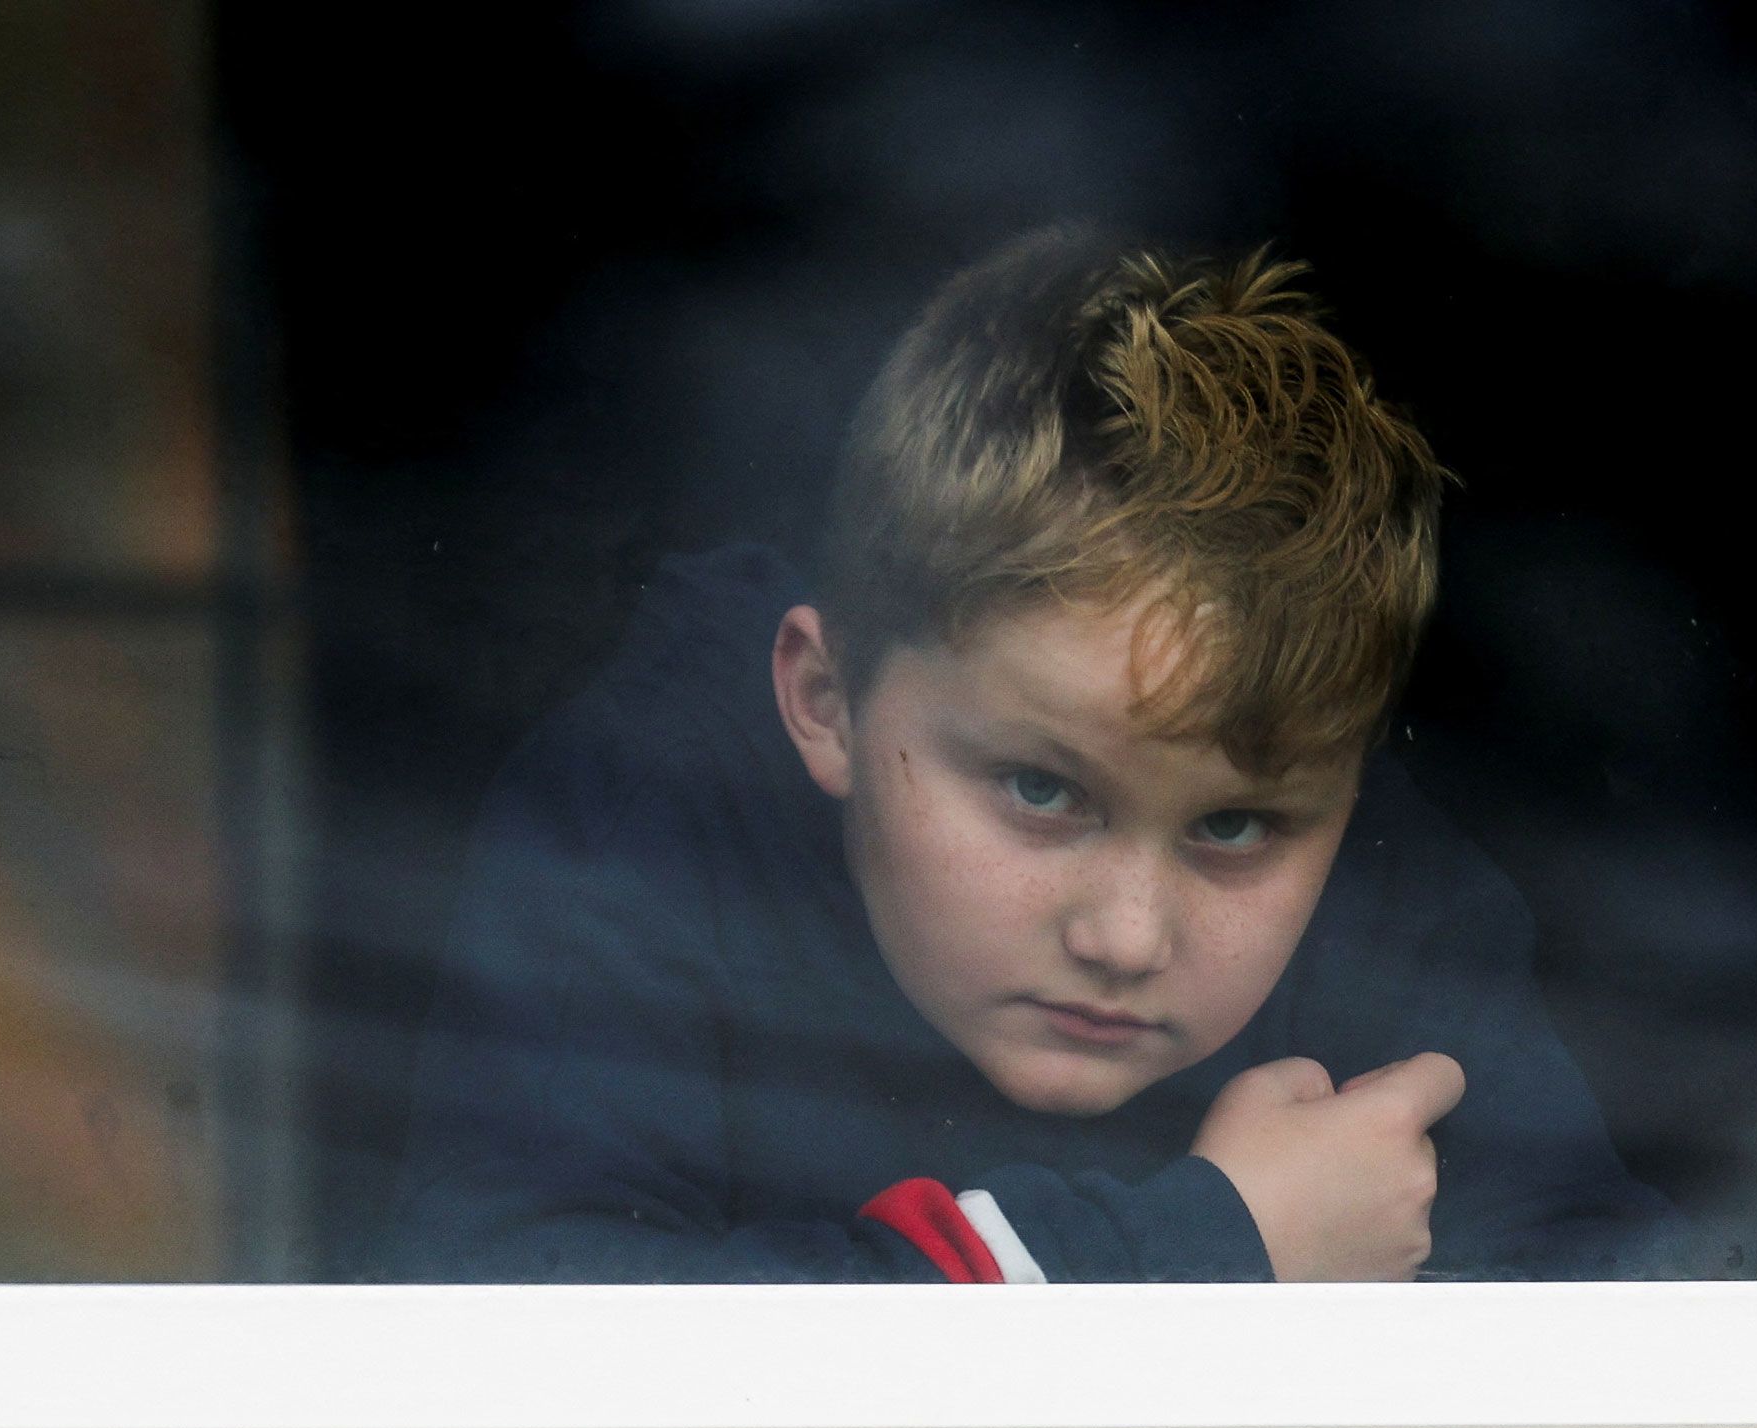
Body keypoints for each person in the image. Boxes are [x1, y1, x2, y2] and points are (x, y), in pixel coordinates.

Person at [387, 226, 1682, 1284]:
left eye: (1233, 829)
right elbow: (511, 1327)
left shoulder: (1381, 892)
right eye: (1042, 789)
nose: (1126, 938)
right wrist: (1200, 1253)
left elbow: (1632, 1341)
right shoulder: (655, 819)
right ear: (827, 699)